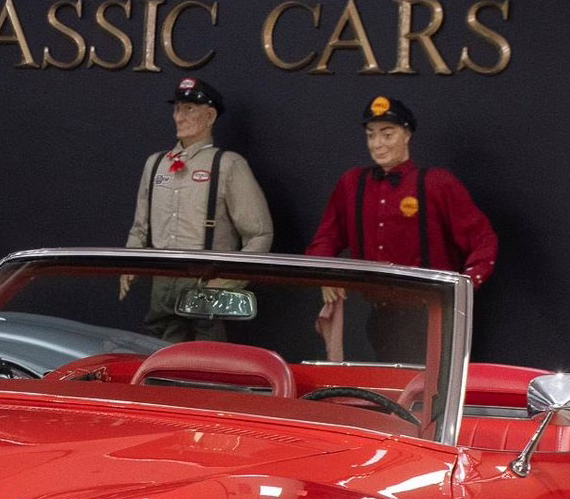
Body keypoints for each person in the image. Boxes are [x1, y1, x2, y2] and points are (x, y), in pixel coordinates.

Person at [306, 96, 497, 361]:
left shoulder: (437, 183)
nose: (377, 144)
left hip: (430, 317)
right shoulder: (352, 184)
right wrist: (325, 273)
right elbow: (326, 238)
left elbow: (483, 239)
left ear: (407, 134)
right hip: (376, 317)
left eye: (387, 134)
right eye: (371, 135)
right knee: (374, 389)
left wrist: (462, 289)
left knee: (426, 396)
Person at [123, 77, 273, 341]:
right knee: (159, 357)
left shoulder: (227, 165)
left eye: (189, 108)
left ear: (210, 115)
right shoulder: (156, 164)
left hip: (207, 284)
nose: (179, 117)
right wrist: (128, 265)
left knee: (206, 359)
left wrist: (229, 282)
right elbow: (140, 227)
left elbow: (259, 233)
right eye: (177, 108)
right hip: (162, 283)